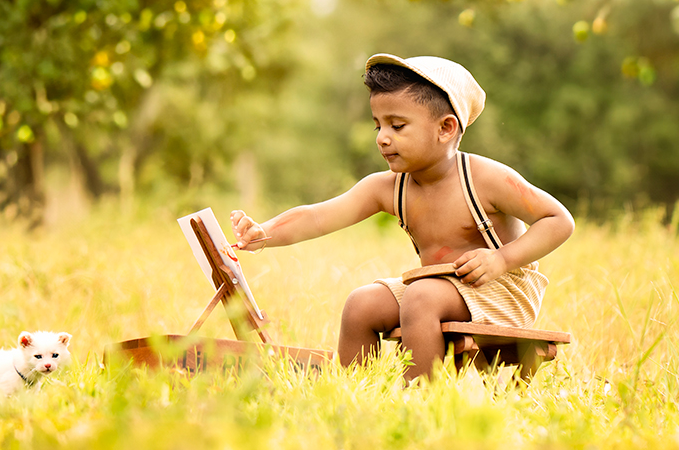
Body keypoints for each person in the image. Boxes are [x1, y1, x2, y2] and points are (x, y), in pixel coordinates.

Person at [230, 53, 574, 381]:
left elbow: (558, 219)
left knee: (421, 296)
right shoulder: (389, 187)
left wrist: (501, 259)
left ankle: (419, 402)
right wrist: (264, 232)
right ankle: (356, 394)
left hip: (500, 290)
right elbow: (318, 216)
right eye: (378, 125)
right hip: (437, 290)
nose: (382, 138)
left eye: (397, 125)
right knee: (362, 303)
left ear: (445, 128)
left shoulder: (485, 179)